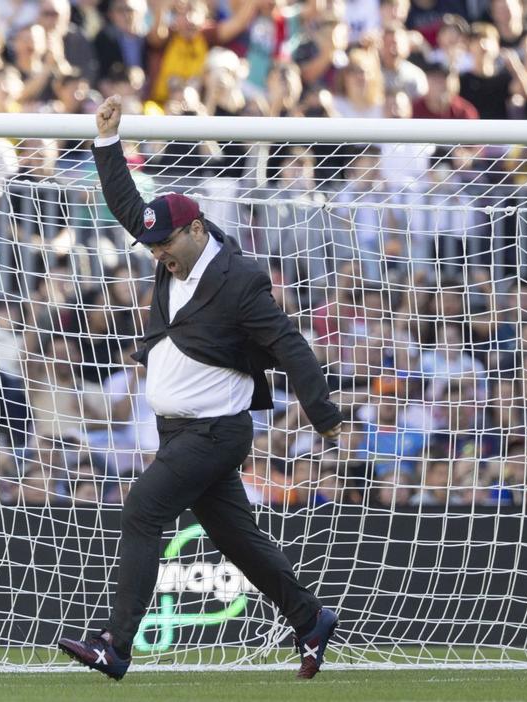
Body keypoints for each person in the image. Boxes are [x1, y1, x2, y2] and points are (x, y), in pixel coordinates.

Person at [56, 95, 342, 681]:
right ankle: (310, 618)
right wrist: (108, 141)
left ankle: (117, 644)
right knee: (237, 538)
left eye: (165, 245)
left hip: (215, 432)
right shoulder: (169, 245)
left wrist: (323, 411)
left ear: (196, 228)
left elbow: (288, 342)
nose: (158, 255)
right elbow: (128, 205)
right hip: (180, 429)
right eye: (153, 247)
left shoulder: (239, 280)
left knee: (141, 510)